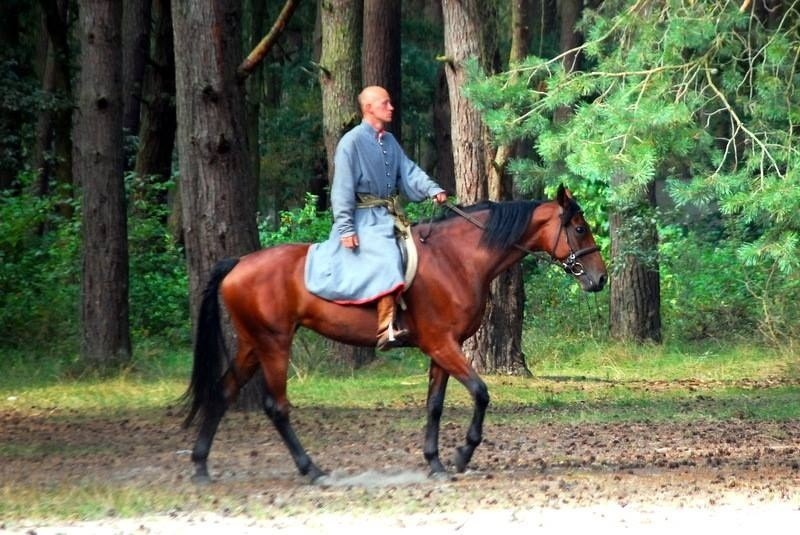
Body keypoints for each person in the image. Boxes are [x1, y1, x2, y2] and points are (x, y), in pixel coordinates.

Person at [305, 86, 448, 349]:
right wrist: (346, 229)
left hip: (388, 215)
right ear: (368, 108)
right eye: (385, 103)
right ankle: (385, 329)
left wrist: (432, 189)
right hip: (363, 220)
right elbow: (342, 189)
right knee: (386, 256)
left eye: (390, 103)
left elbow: (409, 171)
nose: (391, 107)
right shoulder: (351, 142)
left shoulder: (390, 141)